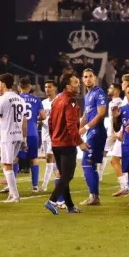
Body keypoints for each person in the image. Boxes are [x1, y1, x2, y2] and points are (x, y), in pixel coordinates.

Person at [44, 73, 83, 214]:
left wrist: (54, 136)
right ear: (68, 86)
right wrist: (80, 142)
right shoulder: (70, 101)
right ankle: (52, 200)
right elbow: (71, 124)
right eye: (75, 82)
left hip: (56, 143)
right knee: (67, 176)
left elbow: (50, 122)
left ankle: (70, 206)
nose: (78, 84)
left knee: (63, 175)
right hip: (67, 143)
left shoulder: (56, 100)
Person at [0, 74, 25, 203]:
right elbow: (24, 120)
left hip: (8, 136)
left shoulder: (2, 99)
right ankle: (12, 194)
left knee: (7, 164)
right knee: (7, 163)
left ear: (3, 84)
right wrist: (24, 138)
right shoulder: (19, 99)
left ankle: (15, 195)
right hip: (18, 135)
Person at [79, 68, 108, 206]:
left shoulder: (99, 92)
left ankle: (93, 196)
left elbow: (101, 113)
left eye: (90, 76)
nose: (88, 79)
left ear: (95, 78)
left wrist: (86, 127)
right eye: (85, 77)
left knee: (86, 163)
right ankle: (95, 197)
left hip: (97, 132)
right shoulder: (88, 95)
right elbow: (86, 114)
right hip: (92, 132)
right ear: (83, 79)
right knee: (92, 165)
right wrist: (79, 127)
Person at [17, 78, 44, 192]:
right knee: (34, 159)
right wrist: (35, 120)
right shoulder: (37, 99)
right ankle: (35, 185)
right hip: (33, 132)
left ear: (19, 87)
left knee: (15, 158)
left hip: (19, 133)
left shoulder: (16, 99)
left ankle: (12, 185)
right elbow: (43, 116)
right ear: (30, 87)